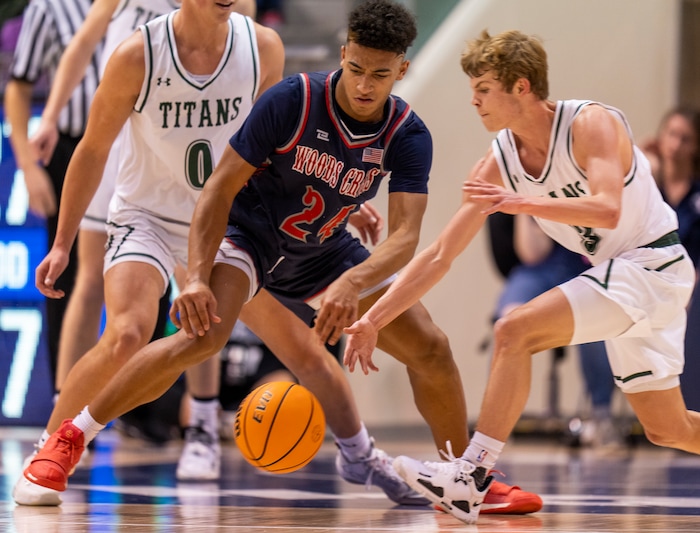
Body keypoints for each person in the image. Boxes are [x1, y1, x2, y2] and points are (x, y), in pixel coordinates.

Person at [14, 1, 541, 516]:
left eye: (378, 75)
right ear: (342, 54)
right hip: (250, 236)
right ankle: (71, 436)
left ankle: (463, 479)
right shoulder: (294, 98)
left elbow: (405, 237)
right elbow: (219, 190)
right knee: (200, 336)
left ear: (402, 69)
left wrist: (351, 283)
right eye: (354, 68)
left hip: (323, 251)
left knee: (429, 346)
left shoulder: (406, 133)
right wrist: (196, 276)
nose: (363, 85)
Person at [343, 29, 700, 524]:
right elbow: (440, 254)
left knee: (515, 329)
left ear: (521, 87)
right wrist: (375, 319)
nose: (474, 101)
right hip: (625, 278)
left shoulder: (590, 124)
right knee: (670, 429)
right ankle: (472, 475)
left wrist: (521, 202)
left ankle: (472, 476)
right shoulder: (500, 161)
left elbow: (606, 208)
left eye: (483, 89)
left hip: (653, 265)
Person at [11, 0, 284, 504]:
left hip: (223, 220)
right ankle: (49, 449)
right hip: (147, 216)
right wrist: (63, 242)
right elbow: (92, 149)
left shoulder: (262, 46)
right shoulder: (138, 53)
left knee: (205, 337)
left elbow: (274, 149)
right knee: (128, 333)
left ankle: (200, 427)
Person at [4, 0, 98, 388]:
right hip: (70, 146)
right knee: (69, 274)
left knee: (146, 273)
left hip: (131, 144)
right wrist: (27, 167)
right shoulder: (50, 7)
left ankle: (143, 408)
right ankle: (67, 397)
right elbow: (18, 87)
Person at [641, 107, 700, 412]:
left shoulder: (697, 196)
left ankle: (690, 411)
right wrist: (640, 161)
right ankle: (603, 416)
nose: (676, 145)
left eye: (686, 138)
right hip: (646, 280)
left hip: (689, 285)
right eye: (672, 135)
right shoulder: (648, 186)